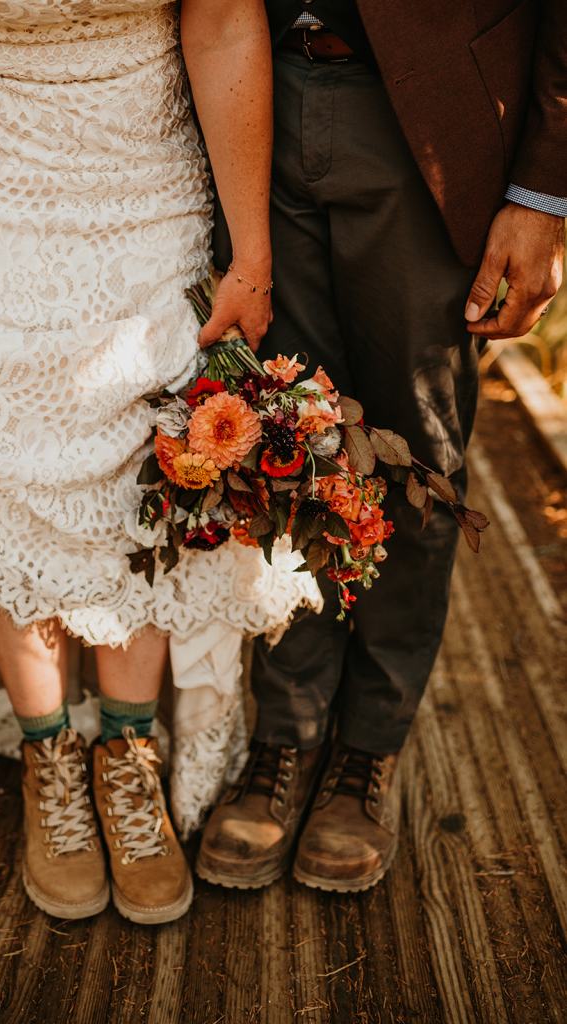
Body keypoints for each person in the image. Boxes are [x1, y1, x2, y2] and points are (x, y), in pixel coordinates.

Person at [0, 0, 320, 923]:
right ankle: (53, 758)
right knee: (5, 442)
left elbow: (224, 20)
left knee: (144, 436)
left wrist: (251, 256)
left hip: (142, 153)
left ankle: (128, 756)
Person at [197, 0, 566, 893]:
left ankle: (369, 748)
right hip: (246, 88)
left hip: (436, 116)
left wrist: (545, 189)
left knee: (414, 455)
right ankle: (286, 731)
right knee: (283, 443)